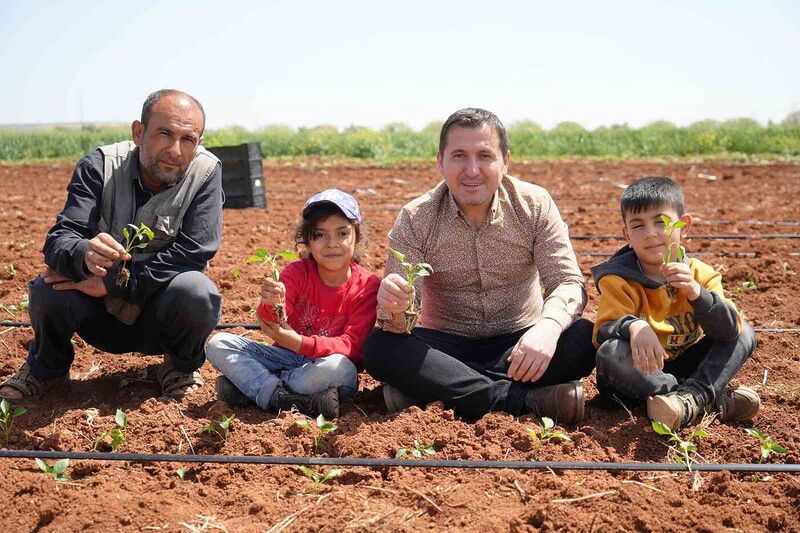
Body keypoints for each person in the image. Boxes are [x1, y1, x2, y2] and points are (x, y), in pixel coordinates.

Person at [362, 108, 595, 424]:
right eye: (459, 156)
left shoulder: (535, 204)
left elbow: (567, 281)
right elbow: (400, 322)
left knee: (586, 337)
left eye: (484, 155)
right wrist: (396, 307)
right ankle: (521, 401)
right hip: (446, 348)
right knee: (380, 348)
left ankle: (434, 391)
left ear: (505, 161)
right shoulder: (416, 218)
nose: (472, 169)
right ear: (440, 162)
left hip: (521, 345)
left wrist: (547, 329)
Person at [0, 89, 223, 402]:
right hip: (97, 315)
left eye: (188, 139)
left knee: (197, 291)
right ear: (138, 132)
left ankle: (179, 367)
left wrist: (114, 283)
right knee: (48, 288)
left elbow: (195, 250)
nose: (175, 150)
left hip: (159, 313)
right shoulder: (100, 166)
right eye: (164, 133)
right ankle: (46, 370)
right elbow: (60, 239)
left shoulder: (206, 173)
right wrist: (84, 255)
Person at [592, 176, 759, 431]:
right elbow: (603, 330)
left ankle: (689, 400)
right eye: (638, 226)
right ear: (626, 234)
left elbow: (727, 330)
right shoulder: (618, 279)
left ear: (684, 226)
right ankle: (705, 399)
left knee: (743, 331)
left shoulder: (700, 274)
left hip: (687, 364)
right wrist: (634, 327)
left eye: (661, 222)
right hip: (643, 372)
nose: (650, 234)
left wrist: (696, 293)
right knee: (610, 353)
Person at [206, 189, 380, 419]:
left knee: (340, 367)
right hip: (284, 358)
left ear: (356, 236)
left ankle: (257, 390)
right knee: (219, 343)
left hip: (324, 368)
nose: (332, 244)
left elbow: (352, 348)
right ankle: (294, 400)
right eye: (320, 235)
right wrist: (270, 302)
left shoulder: (368, 285)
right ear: (307, 239)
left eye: (342, 233)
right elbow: (272, 321)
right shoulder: (297, 272)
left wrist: (298, 342)